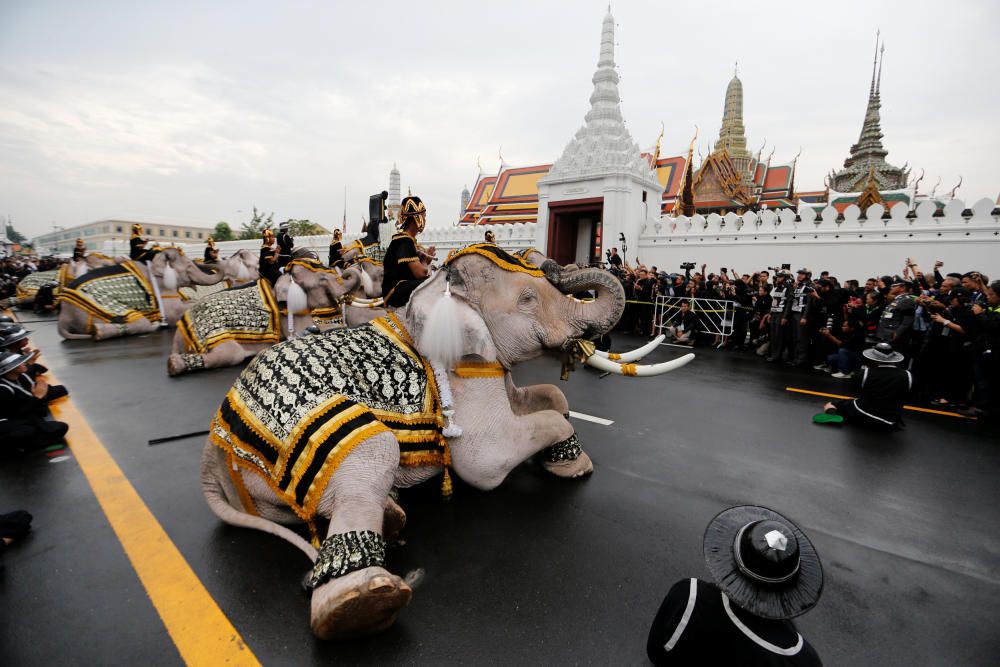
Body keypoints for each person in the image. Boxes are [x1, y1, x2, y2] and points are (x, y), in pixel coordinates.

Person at [647, 505, 823, 665]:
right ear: (793, 586)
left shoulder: (689, 599)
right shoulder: (805, 660)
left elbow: (657, 652)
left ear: (731, 559)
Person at [820, 343, 911, 430]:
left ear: (874, 358)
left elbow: (855, 392)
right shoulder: (907, 375)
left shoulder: (865, 373)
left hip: (864, 414)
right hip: (890, 420)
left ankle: (833, 415)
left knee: (831, 404)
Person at [0, 351, 70, 454]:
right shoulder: (3, 389)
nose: (24, 363)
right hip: (7, 423)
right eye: (19, 363)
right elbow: (18, 412)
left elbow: (37, 409)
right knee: (27, 432)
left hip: (25, 420)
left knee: (60, 427)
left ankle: (25, 446)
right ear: (10, 368)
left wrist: (40, 396)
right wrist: (38, 398)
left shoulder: (22, 377)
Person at [382, 194, 432, 308]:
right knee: (432, 285)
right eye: (424, 216)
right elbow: (420, 274)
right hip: (395, 290)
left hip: (403, 286)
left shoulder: (407, 240)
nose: (425, 219)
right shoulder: (404, 240)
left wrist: (426, 259)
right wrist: (426, 263)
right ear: (416, 218)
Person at [764, 271, 792, 362]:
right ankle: (773, 354)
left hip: (781, 315)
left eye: (780, 277)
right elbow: (774, 302)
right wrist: (770, 314)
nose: (778, 278)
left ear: (785, 277)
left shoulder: (788, 288)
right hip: (774, 314)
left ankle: (776, 356)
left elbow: (788, 303)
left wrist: (785, 317)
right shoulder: (776, 288)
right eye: (778, 276)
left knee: (778, 336)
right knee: (773, 335)